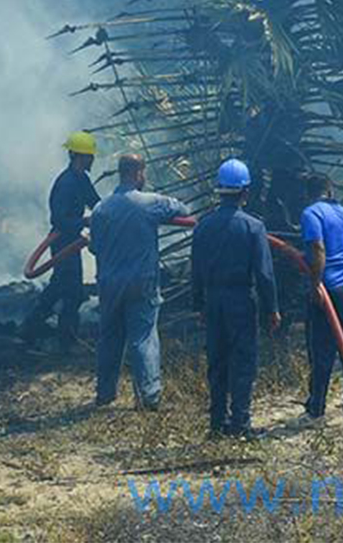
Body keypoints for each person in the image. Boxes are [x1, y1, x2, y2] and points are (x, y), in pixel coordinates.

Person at [89, 154, 190, 410]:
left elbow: (95, 247)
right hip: (141, 283)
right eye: (143, 173)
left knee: (109, 338)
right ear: (138, 173)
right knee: (143, 337)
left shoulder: (101, 209)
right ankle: (149, 397)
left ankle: (104, 394)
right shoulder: (150, 203)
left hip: (109, 284)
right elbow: (182, 210)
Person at [191, 159, 280, 440]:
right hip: (241, 299)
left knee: (217, 361)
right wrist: (272, 309)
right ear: (245, 192)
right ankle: (240, 424)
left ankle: (217, 424)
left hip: (214, 300)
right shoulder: (253, 227)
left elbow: (195, 270)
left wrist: (199, 305)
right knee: (243, 361)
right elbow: (264, 274)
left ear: (220, 191)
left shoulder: (203, 226)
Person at [290, 174, 343, 429]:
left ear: (308, 193)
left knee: (321, 351)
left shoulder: (311, 214)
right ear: (329, 189)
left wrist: (314, 285)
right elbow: (338, 248)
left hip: (329, 288)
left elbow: (320, 250)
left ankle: (316, 412)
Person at [20, 131, 101, 349]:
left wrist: (111, 212)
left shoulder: (81, 179)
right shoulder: (66, 183)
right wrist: (84, 222)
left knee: (59, 287)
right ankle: (66, 341)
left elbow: (96, 202)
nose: (92, 160)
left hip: (71, 242)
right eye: (89, 156)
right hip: (63, 242)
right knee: (72, 292)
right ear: (78, 156)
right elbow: (58, 219)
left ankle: (30, 329)